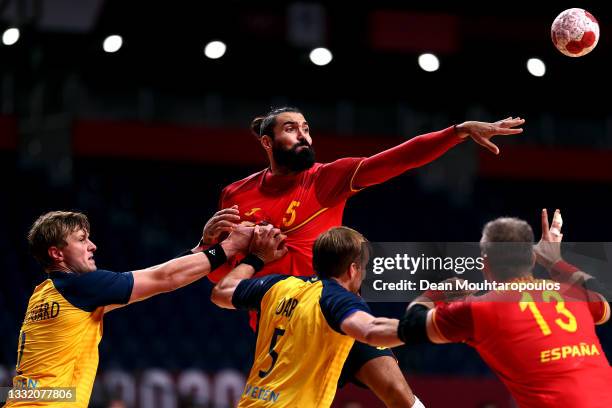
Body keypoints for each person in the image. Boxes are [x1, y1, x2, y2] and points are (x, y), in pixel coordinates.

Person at [198, 106, 524, 405]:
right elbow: (221, 274)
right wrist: (206, 245)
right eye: (290, 128)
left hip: (334, 306)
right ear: (267, 142)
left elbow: (396, 160)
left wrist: (457, 132)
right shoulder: (236, 194)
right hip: (289, 318)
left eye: (306, 128)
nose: (302, 134)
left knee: (399, 393)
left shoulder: (324, 179)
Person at [4, 210, 284, 408]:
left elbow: (160, 275)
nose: (92, 245)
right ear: (57, 253)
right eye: (81, 239)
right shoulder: (82, 287)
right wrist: (230, 246)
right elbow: (164, 279)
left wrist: (203, 247)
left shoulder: (45, 293)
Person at [383, 209, 611, 408]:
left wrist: (438, 292)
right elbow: (601, 298)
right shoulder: (574, 295)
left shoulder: (480, 309)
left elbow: (410, 325)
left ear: (484, 264)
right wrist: (555, 261)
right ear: (533, 260)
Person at [211, 225, 424, 408]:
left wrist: (256, 259)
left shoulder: (279, 285)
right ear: (352, 270)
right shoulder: (341, 299)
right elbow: (370, 331)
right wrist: (426, 323)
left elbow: (221, 292)